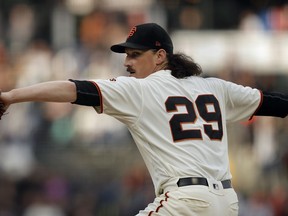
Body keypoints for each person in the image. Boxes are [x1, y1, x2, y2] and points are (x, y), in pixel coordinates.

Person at [0, 23, 287, 215]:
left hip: (185, 203)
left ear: (160, 55)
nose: (127, 63)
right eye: (127, 55)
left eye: (135, 55)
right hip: (227, 204)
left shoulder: (141, 90)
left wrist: (11, 95)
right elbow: (277, 103)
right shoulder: (215, 87)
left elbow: (73, 89)